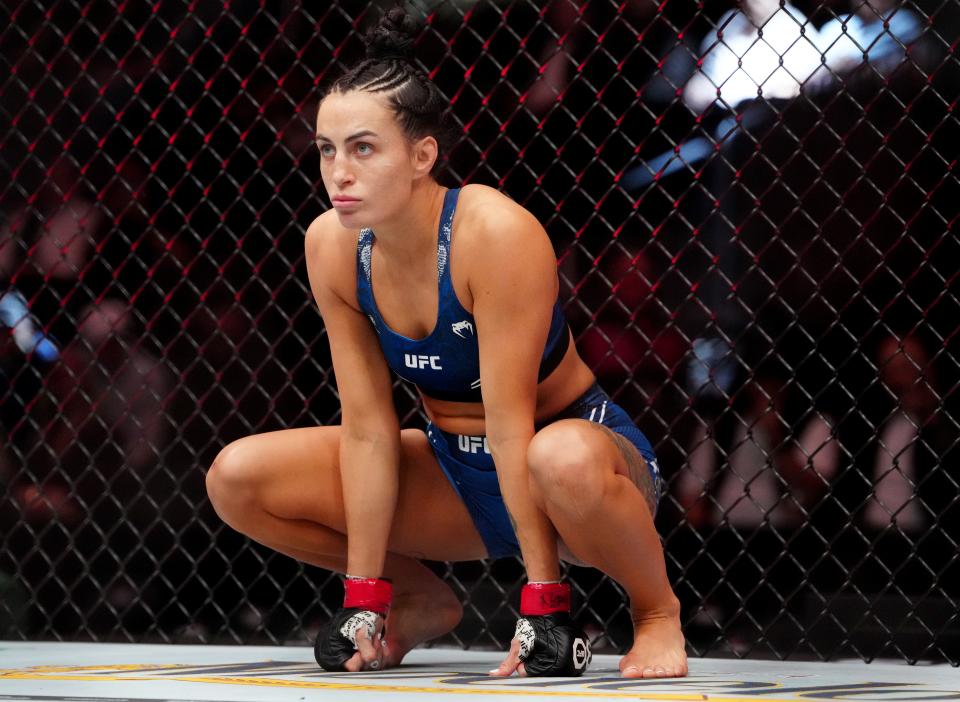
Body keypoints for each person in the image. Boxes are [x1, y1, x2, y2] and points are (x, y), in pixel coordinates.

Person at [206, 5, 687, 679]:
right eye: (326, 149)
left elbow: (511, 423)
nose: (338, 172)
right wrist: (363, 598)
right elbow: (369, 431)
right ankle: (418, 600)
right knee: (238, 479)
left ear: (423, 155)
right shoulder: (331, 246)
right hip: (455, 471)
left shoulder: (494, 233)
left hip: (576, 462)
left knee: (560, 459)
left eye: (363, 148)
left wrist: (542, 603)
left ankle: (657, 615)